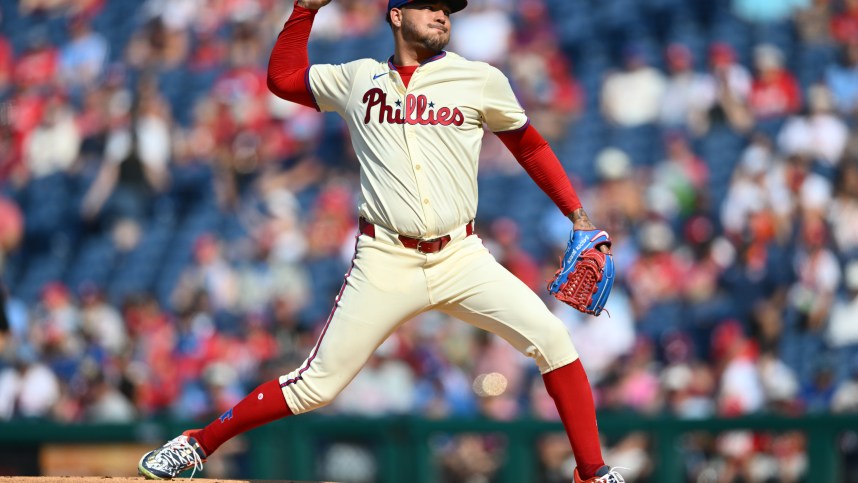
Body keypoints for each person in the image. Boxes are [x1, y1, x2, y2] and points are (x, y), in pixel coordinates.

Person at [137, 1, 622, 482]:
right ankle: (196, 443)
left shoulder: (480, 79)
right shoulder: (357, 78)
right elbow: (283, 79)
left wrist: (577, 216)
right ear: (395, 15)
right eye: (428, 6)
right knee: (316, 387)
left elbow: (530, 144)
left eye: (447, 10)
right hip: (385, 258)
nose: (441, 15)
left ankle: (592, 473)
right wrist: (305, 10)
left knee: (555, 341)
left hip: (461, 256)